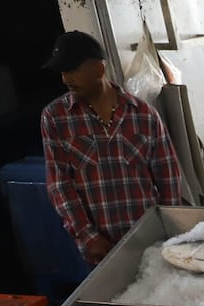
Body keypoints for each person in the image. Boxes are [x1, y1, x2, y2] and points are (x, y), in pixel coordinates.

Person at [41, 30, 182, 266]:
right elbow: (59, 185)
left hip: (150, 241)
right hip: (100, 248)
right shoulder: (56, 118)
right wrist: (87, 235)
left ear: (98, 70)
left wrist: (170, 231)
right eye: (62, 72)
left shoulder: (145, 116)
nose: (65, 79)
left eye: (72, 70)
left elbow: (168, 179)